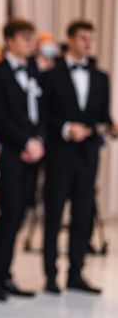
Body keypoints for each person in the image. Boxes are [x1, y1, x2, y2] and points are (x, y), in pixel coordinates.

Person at [41, 19, 118, 294]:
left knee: (83, 214)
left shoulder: (101, 77)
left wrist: (111, 126)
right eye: (83, 38)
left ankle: (76, 271)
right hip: (60, 154)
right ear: (71, 39)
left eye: (91, 39)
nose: (88, 44)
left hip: (87, 155)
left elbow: (102, 116)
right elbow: (43, 116)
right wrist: (65, 129)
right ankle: (51, 273)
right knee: (54, 213)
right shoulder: (51, 75)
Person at [0, 18, 45, 298]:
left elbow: (41, 110)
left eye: (32, 38)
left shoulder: (34, 70)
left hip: (31, 154)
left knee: (19, 214)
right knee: (8, 214)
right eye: (25, 37)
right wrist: (24, 142)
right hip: (10, 153)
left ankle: (6, 273)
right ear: (9, 40)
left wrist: (39, 140)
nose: (31, 43)